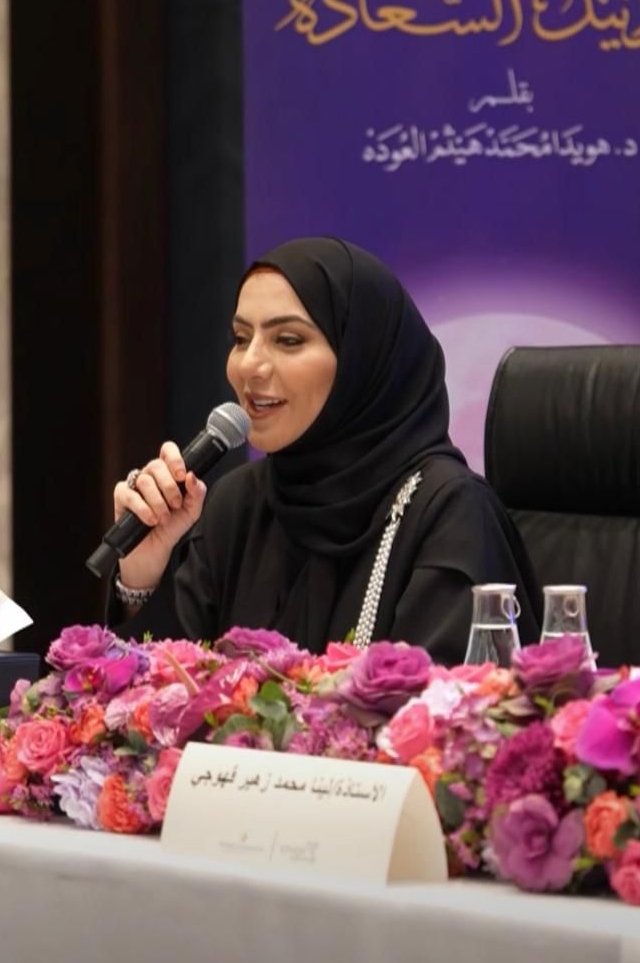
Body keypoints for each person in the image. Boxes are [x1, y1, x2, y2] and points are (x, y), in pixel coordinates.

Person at [109, 236, 539, 661]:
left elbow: (449, 700)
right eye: (241, 338)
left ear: (361, 358)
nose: (249, 365)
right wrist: (142, 576)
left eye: (288, 340)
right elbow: (163, 693)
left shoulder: (449, 512)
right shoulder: (236, 505)